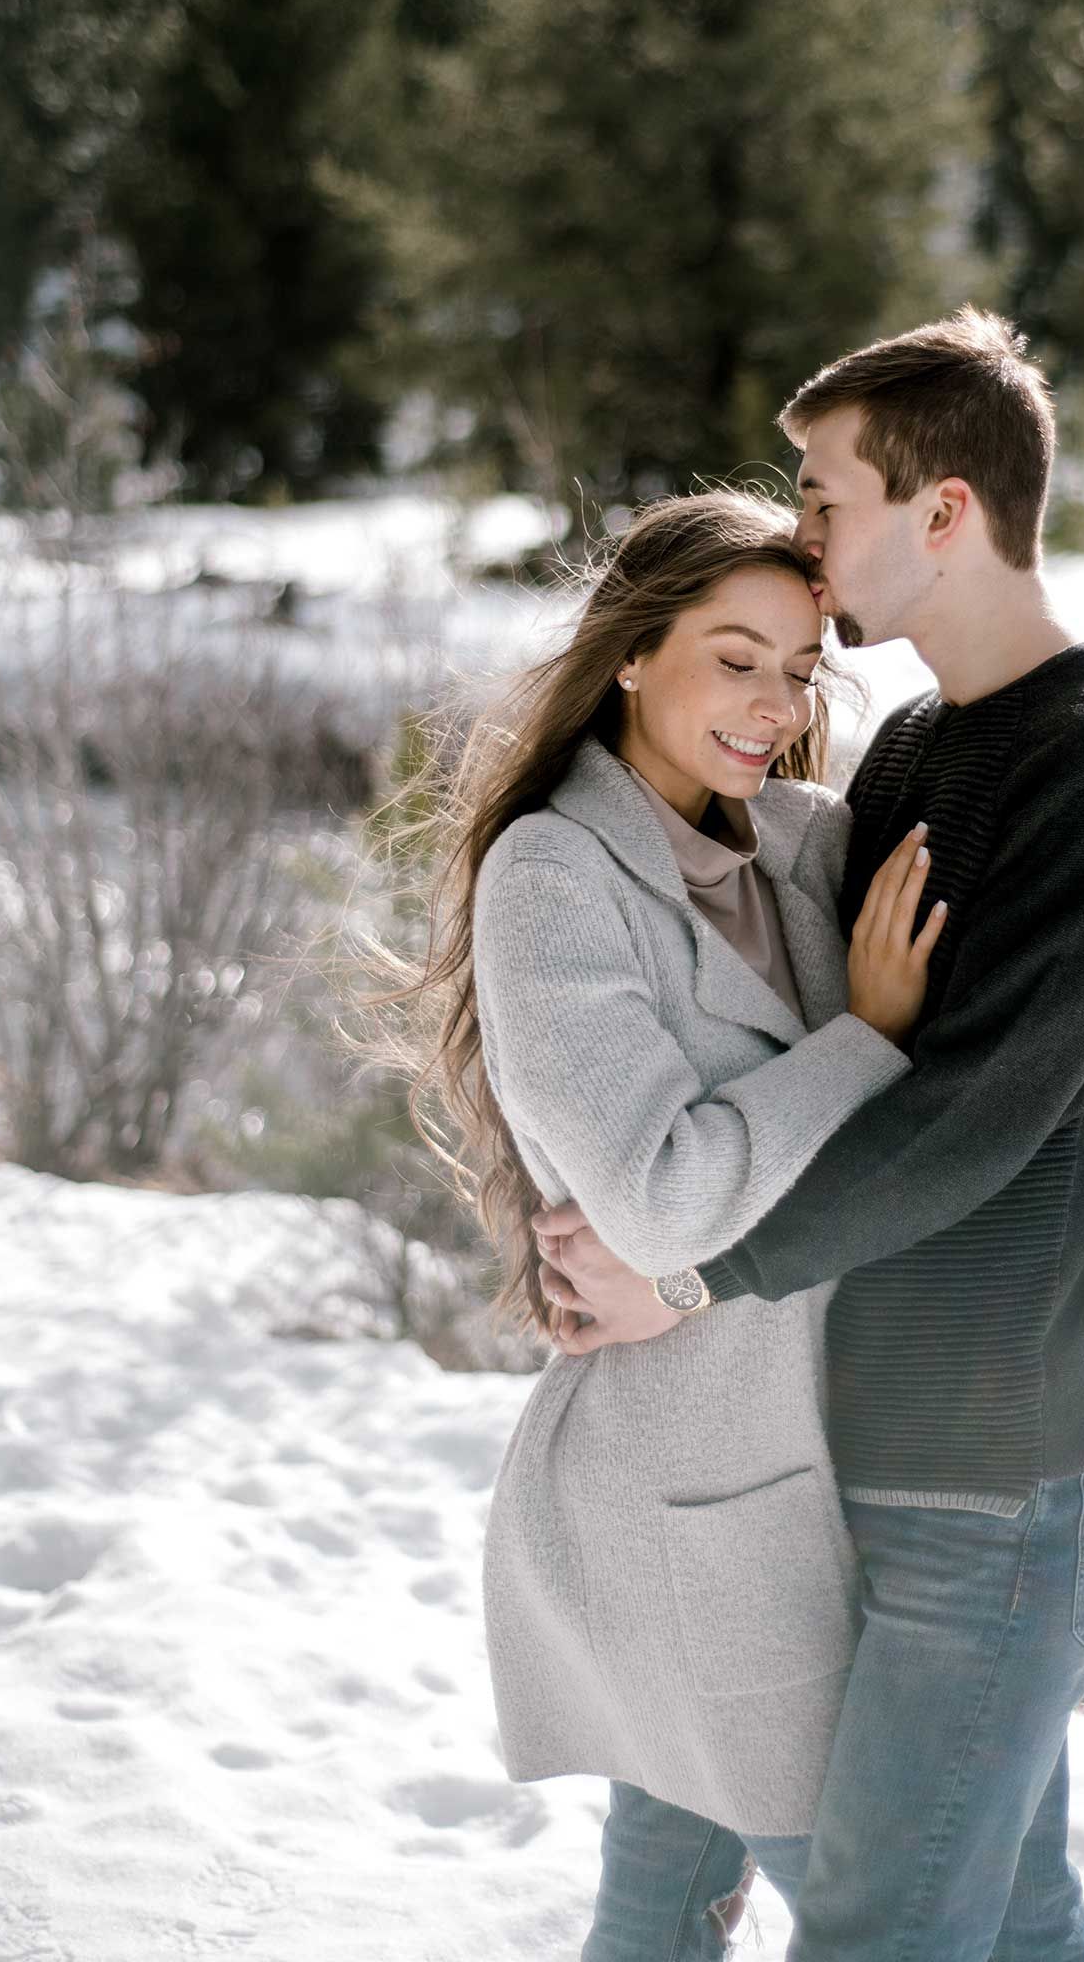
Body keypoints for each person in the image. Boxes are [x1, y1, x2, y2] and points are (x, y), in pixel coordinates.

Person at [535, 307, 1084, 1962]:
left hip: (1014, 1467)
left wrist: (687, 1278)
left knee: (880, 1927)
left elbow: (977, 1118)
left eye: (829, 495)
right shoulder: (915, 745)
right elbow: (831, 1033)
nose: (808, 539)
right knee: (1001, 1912)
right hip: (864, 1439)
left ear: (946, 513)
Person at [398, 487, 948, 1951]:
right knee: (877, 1911)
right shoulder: (553, 879)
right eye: (733, 655)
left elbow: (975, 1049)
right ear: (634, 654)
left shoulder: (803, 845)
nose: (772, 705)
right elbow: (656, 1195)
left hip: (803, 1467)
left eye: (798, 666)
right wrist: (867, 1040)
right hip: (685, 1494)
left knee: (665, 1904)